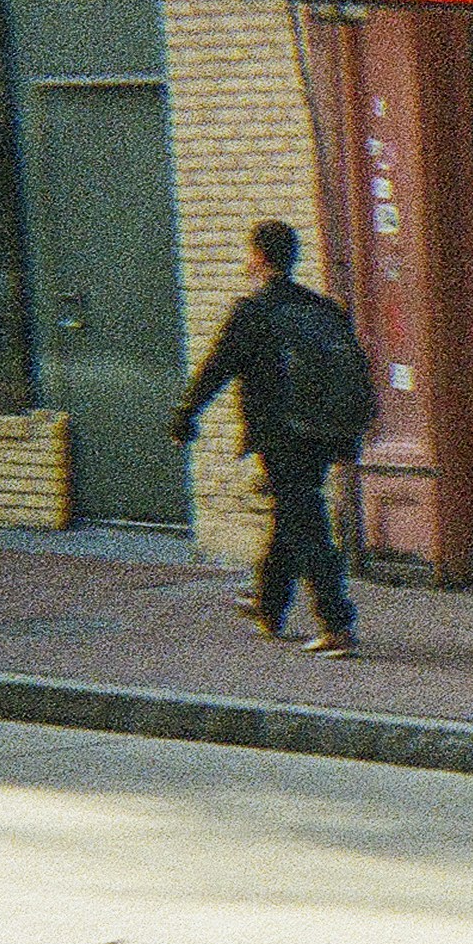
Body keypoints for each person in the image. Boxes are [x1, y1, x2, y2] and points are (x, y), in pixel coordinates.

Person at [173, 219, 365, 658]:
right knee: (293, 512)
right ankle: (268, 603)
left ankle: (337, 624)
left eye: (249, 252)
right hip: (323, 433)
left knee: (307, 523)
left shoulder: (253, 313)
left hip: (280, 435)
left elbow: (216, 368)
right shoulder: (323, 309)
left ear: (258, 257)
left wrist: (186, 414)